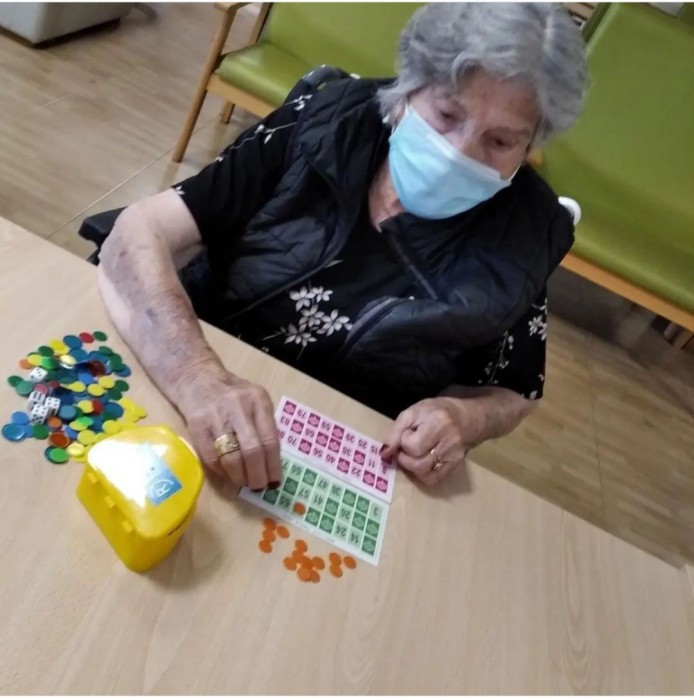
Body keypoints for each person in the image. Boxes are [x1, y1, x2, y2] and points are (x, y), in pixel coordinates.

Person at [98, 3, 587, 490]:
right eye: (446, 114)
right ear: (408, 88)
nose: (459, 153)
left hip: (338, 453)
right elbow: (140, 231)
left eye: (500, 142)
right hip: (193, 382)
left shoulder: (525, 233)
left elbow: (515, 390)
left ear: (529, 149)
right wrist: (199, 378)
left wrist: (463, 417)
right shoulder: (328, 119)